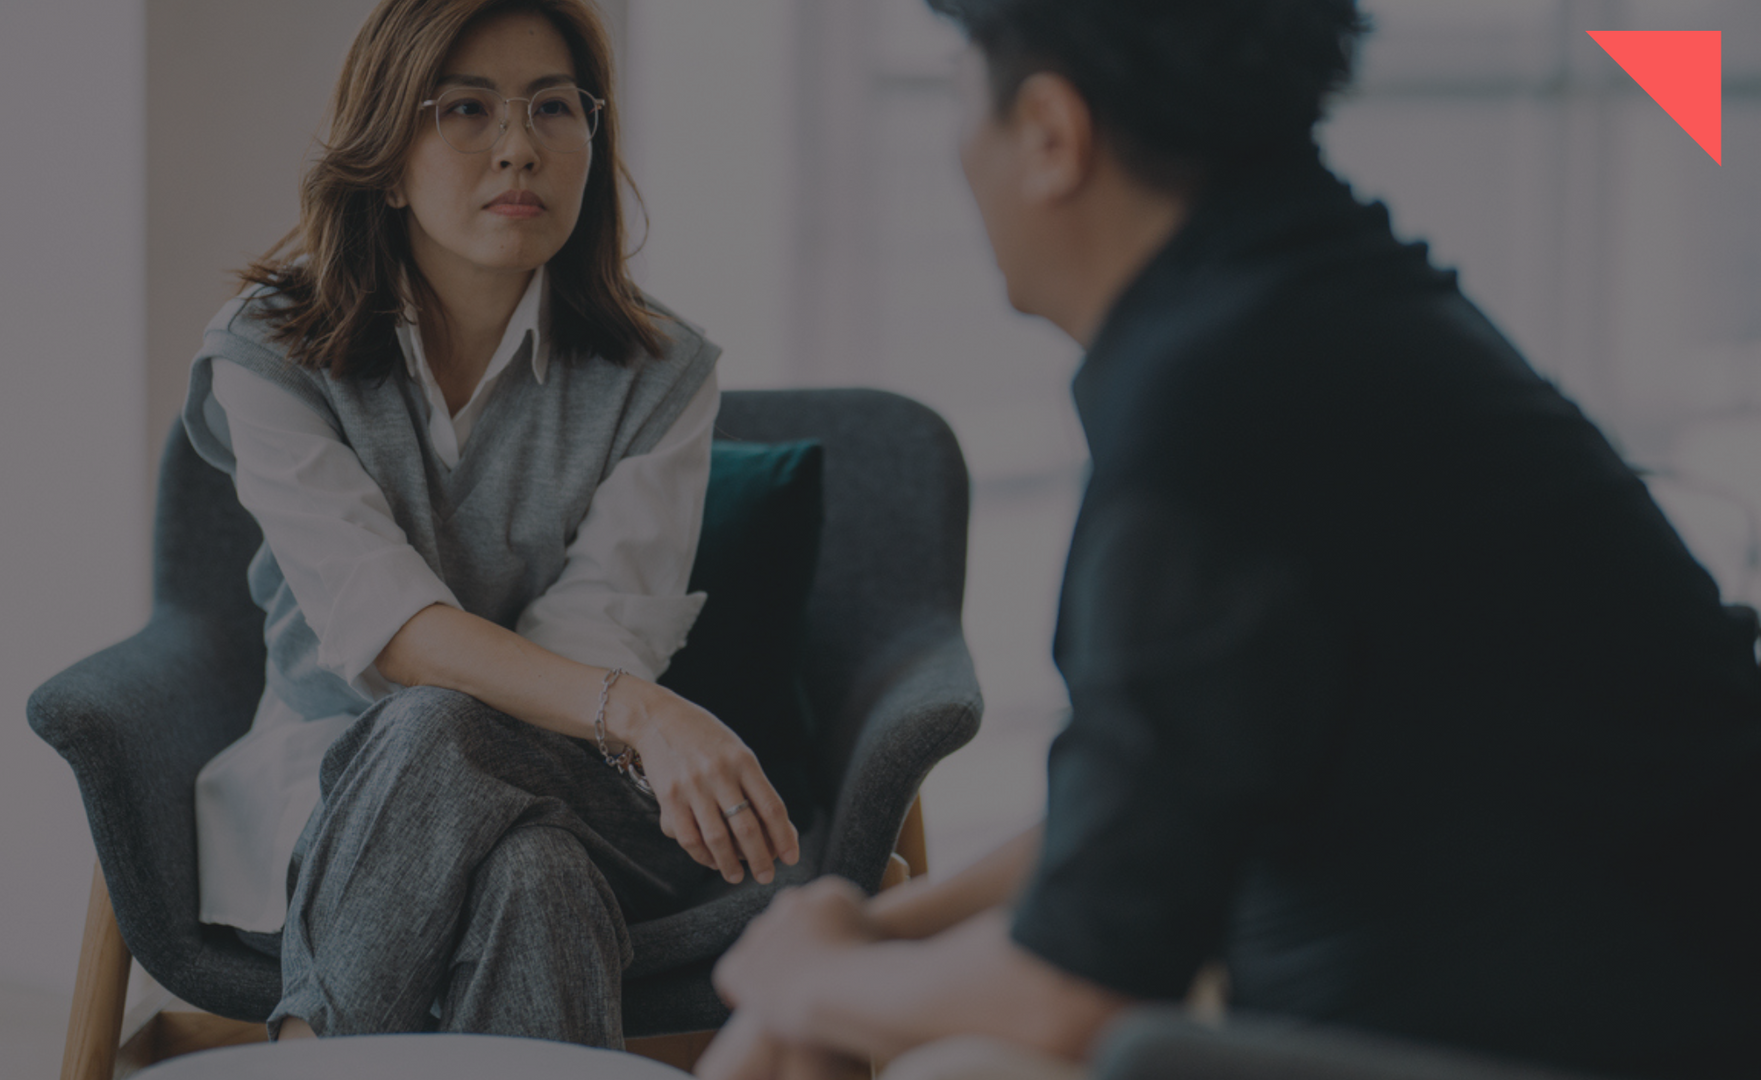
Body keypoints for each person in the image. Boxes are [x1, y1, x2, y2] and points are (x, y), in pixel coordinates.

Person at [699, 1, 1761, 1078]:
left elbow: (1070, 995)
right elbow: (1141, 822)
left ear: (1052, 139)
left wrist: (807, 978)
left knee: (937, 1061)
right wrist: (876, 935)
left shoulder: (1215, 409)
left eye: (958, 100)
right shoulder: (1320, 304)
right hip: (1627, 1010)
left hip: (1555, 1050)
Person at [178, 0, 801, 1048]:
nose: (519, 148)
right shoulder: (270, 350)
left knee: (448, 732)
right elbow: (388, 624)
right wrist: (648, 716)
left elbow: (600, 636)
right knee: (530, 870)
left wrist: (621, 715)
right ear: (383, 154)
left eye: (555, 107)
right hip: (335, 785)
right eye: (466, 108)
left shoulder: (663, 373)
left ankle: (306, 1060)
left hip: (579, 774)